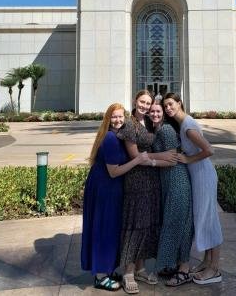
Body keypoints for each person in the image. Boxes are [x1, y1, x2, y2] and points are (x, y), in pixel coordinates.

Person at [81, 103, 150, 292]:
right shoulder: (111, 139)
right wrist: (138, 159)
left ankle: (106, 270)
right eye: (114, 117)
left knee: (109, 228)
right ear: (108, 119)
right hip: (105, 188)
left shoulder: (118, 135)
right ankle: (100, 276)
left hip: (109, 188)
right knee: (103, 229)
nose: (118, 120)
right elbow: (114, 172)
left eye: (121, 117)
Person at [118, 90, 177, 294]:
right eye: (142, 102)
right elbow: (135, 155)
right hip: (136, 180)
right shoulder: (129, 124)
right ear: (135, 101)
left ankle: (141, 268)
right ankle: (128, 272)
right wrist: (164, 155)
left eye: (148, 103)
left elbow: (149, 152)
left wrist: (159, 159)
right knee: (135, 224)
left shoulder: (149, 123)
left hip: (152, 180)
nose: (144, 106)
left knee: (147, 224)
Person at [163, 93, 223, 285]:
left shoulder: (187, 127)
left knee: (209, 219)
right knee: (203, 218)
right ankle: (206, 262)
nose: (168, 109)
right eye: (165, 106)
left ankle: (214, 268)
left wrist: (188, 159)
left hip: (203, 175)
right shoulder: (184, 124)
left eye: (171, 104)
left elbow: (209, 150)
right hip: (198, 175)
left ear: (179, 103)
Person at [149, 101, 194, 287]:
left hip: (177, 180)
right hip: (168, 182)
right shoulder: (157, 130)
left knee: (177, 223)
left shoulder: (166, 130)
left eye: (158, 111)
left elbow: (173, 158)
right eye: (152, 111)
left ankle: (184, 269)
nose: (155, 114)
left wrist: (147, 160)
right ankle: (173, 264)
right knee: (174, 222)